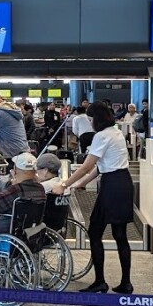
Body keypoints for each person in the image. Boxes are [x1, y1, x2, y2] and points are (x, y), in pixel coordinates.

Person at [53, 102, 134, 294]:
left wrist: (64, 184)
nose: (90, 123)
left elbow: (86, 166)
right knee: (120, 235)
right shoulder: (116, 133)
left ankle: (100, 281)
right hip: (124, 182)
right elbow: (101, 167)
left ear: (97, 118)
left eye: (90, 119)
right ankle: (126, 283)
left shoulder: (101, 136)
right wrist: (81, 183)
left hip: (111, 186)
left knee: (95, 232)